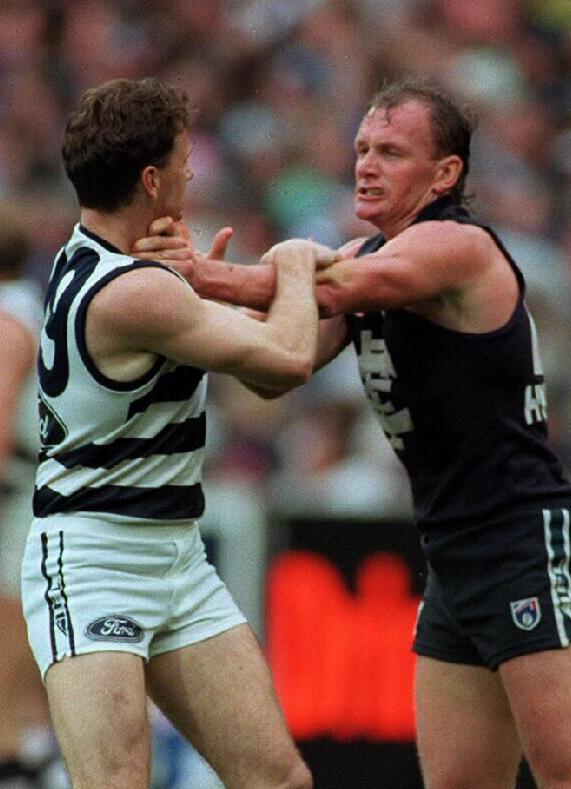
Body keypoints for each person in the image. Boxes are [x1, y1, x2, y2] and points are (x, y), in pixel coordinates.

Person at [134, 79, 571, 788]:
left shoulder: (453, 245)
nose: (366, 165)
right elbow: (277, 369)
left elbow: (331, 289)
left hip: (524, 541)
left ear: (445, 174)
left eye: (392, 152)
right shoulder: (359, 256)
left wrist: (202, 274)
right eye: (361, 148)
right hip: (453, 555)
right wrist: (175, 302)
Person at [20, 76, 337, 789]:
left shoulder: (115, 261)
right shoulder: (136, 290)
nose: (194, 175)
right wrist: (288, 262)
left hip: (176, 559)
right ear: (152, 179)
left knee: (280, 780)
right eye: (185, 162)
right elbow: (287, 361)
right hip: (94, 561)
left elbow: (260, 371)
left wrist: (208, 281)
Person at [0, 202, 53, 788]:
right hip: (23, 493)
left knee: (8, 643)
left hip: (16, 497)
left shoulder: (10, 313)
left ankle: (16, 758)